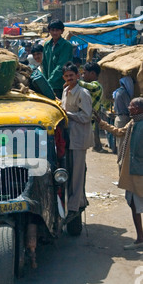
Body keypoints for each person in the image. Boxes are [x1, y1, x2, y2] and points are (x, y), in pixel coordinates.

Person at [94, 97, 143, 250]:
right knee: (133, 204)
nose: (129, 107)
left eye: (132, 106)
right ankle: (140, 238)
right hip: (131, 171)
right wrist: (102, 123)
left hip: (139, 172)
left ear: (139, 109)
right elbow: (119, 132)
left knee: (135, 204)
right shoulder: (133, 122)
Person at [61, 62, 93, 219]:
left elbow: (87, 116)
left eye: (71, 76)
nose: (69, 78)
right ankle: (76, 200)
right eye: (66, 76)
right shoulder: (65, 90)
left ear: (78, 76)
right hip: (70, 136)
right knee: (72, 171)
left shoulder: (83, 93)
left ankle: (75, 206)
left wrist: (68, 114)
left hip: (80, 137)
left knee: (78, 173)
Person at [42, 19, 74, 99]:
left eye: (57, 30)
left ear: (62, 31)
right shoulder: (47, 45)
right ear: (49, 31)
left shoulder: (66, 45)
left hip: (62, 85)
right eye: (52, 30)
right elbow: (44, 64)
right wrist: (45, 82)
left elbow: (61, 66)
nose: (55, 33)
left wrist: (49, 82)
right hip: (49, 85)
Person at [78, 61, 104, 152]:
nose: (83, 75)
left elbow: (90, 86)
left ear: (92, 73)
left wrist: (76, 80)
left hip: (90, 120)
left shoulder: (97, 86)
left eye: (84, 73)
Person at [112, 76, 134, 164]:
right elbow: (129, 107)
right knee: (122, 144)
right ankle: (121, 165)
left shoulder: (117, 91)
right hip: (124, 119)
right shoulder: (124, 93)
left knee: (120, 143)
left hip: (118, 118)